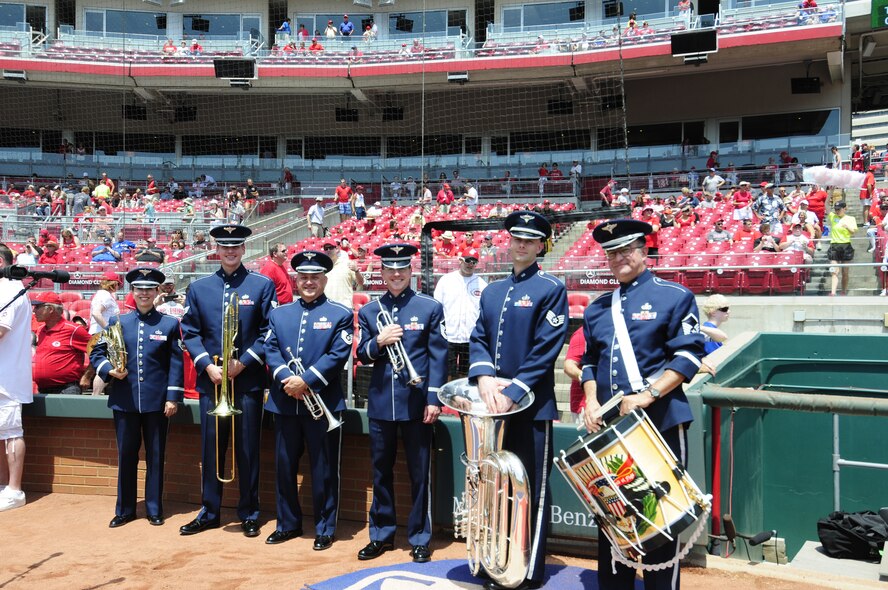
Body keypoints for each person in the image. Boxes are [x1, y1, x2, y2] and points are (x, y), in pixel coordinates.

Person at [580, 219, 705, 590]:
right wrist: (590, 401)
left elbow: (688, 358)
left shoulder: (675, 296)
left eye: (625, 250)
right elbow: (589, 361)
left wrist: (648, 395)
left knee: (660, 516)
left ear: (643, 251)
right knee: (612, 513)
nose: (618, 257)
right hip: (611, 430)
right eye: (611, 252)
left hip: (660, 421)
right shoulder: (597, 307)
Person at [468, 211, 569, 590]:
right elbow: (479, 336)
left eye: (530, 239)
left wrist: (512, 392)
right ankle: (499, 564)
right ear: (508, 241)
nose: (521, 245)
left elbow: (547, 348)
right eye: (516, 238)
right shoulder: (492, 290)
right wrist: (483, 379)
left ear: (542, 244)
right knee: (498, 488)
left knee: (531, 490)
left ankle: (527, 572)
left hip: (530, 406)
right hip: (492, 406)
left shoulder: (550, 288)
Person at [180, 224, 277, 538]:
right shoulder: (199, 288)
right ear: (217, 250)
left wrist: (244, 362)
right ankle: (209, 511)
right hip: (212, 380)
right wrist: (207, 365)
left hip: (246, 382)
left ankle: (249, 512)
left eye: (236, 247)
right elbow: (190, 333)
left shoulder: (261, 285)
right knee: (211, 450)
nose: (231, 251)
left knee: (247, 449)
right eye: (225, 247)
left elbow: (268, 333)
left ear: (244, 249)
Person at [356, 243, 447, 564]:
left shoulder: (429, 307)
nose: (396, 274)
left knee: (419, 473)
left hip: (417, 405)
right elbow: (361, 355)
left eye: (402, 269)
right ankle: (380, 535)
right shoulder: (369, 311)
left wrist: (434, 398)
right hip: (381, 404)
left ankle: (420, 538)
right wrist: (379, 341)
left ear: (411, 271)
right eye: (390, 269)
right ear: (381, 273)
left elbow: (439, 357)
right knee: (380, 472)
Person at [262, 251, 353, 548]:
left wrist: (307, 380)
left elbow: (338, 355)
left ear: (324, 279)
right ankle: (287, 524)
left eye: (315, 277)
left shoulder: (340, 314)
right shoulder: (279, 314)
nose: (309, 282)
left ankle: (325, 527)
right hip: (285, 401)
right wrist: (286, 379)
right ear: (295, 279)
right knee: (284, 468)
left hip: (323, 404)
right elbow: (271, 350)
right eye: (304, 277)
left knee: (323, 470)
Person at [90, 267, 183, 528]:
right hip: (125, 400)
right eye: (139, 289)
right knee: (126, 456)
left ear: (156, 292)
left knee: (156, 456)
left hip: (157, 403)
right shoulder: (117, 322)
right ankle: (125, 509)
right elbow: (97, 354)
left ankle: (154, 508)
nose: (144, 293)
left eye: (149, 289)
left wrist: (172, 397)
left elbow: (175, 364)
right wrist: (110, 371)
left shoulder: (169, 324)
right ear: (132, 292)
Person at [0, 244, 33, 511]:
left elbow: (1, 329)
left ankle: (14, 489)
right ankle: (3, 485)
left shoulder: (9, 289)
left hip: (7, 376)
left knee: (11, 432)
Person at [433, 251, 487, 380]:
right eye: (468, 261)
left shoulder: (481, 283)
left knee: (466, 374)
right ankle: (446, 398)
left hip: (470, 336)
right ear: (460, 260)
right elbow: (436, 305)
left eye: (474, 262)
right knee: (448, 372)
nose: (470, 264)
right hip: (448, 335)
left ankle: (463, 397)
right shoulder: (446, 280)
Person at [32, 292, 90, 395]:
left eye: (37, 307)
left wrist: (87, 376)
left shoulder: (74, 330)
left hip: (66, 389)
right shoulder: (41, 330)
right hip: (42, 389)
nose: (34, 310)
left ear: (50, 309)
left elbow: (99, 351)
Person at [826, 201, 858, 296]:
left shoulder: (850, 218)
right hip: (834, 245)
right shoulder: (833, 216)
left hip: (845, 245)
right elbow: (826, 205)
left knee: (845, 272)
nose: (837, 211)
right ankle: (833, 292)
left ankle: (843, 291)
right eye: (836, 209)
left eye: (839, 209)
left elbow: (853, 232)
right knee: (834, 271)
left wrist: (847, 226)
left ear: (844, 209)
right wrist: (830, 192)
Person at [322, 239, 364, 308]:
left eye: (331, 247)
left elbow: (360, 282)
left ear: (337, 249)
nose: (328, 250)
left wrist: (357, 271)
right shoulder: (322, 267)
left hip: (345, 307)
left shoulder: (347, 263)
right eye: (326, 248)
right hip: (327, 307)